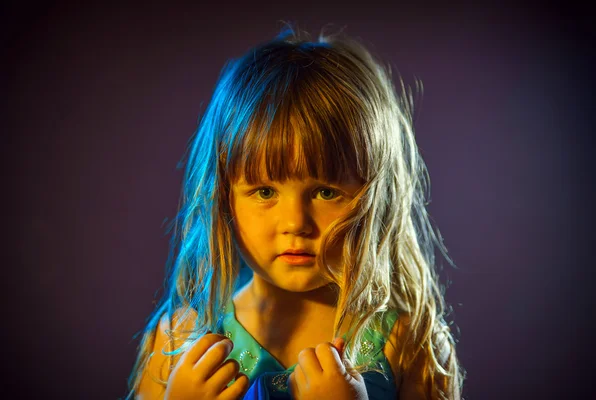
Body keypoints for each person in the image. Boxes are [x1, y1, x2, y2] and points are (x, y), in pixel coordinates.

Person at [126, 25, 465, 400]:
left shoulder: (408, 341)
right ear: (221, 197)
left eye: (325, 192)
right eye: (265, 191)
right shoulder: (178, 342)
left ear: (375, 196)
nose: (295, 224)